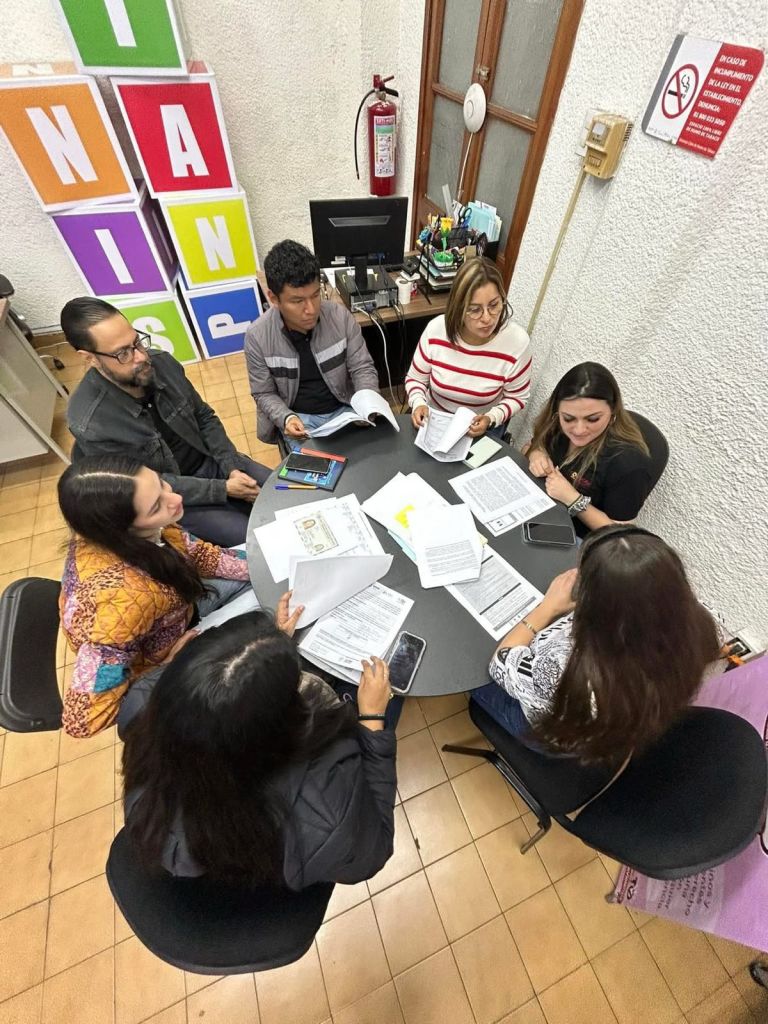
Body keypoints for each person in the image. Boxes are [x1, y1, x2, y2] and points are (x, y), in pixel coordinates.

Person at [120, 600, 397, 891]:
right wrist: (372, 718)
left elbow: (215, 689)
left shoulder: (143, 705)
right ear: (281, 727)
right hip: (274, 863)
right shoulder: (325, 810)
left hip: (206, 854)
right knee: (383, 701)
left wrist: (261, 652)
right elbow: (373, 853)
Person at [472, 525, 721, 763]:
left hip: (555, 730)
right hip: (619, 721)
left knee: (473, 675)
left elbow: (501, 662)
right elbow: (631, 554)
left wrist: (547, 608)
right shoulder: (701, 625)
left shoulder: (566, 667)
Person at [58, 455, 252, 738]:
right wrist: (163, 669)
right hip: (168, 648)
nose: (175, 498)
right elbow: (83, 720)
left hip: (178, 605)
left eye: (161, 484)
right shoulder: (119, 605)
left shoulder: (142, 527)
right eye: (155, 506)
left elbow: (195, 553)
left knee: (261, 580)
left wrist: (260, 564)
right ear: (124, 529)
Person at [62, 297, 269, 548]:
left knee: (293, 493)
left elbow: (204, 416)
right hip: (171, 497)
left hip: (213, 463)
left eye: (137, 342)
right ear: (90, 358)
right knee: (256, 541)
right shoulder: (91, 422)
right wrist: (222, 489)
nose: (141, 356)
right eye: (123, 353)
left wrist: (231, 466)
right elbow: (147, 486)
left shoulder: (162, 363)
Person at [244, 239, 381, 447]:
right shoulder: (257, 336)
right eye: (298, 301)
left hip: (345, 409)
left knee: (372, 460)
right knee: (317, 468)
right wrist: (286, 418)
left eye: (316, 295)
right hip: (299, 418)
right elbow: (263, 392)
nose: (311, 309)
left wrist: (367, 404)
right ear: (274, 298)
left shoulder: (339, 317)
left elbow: (362, 367)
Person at [405, 257, 532, 440]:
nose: (487, 318)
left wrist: (491, 418)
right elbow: (415, 379)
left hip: (482, 428)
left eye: (494, 305)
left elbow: (517, 397)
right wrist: (418, 403)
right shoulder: (436, 330)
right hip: (435, 421)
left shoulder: (517, 342)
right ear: (458, 308)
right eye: (475, 309)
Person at [525, 362, 653, 536]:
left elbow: (620, 534)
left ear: (613, 411)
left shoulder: (629, 462)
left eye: (592, 419)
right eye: (568, 418)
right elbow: (532, 445)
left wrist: (573, 499)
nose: (579, 430)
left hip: (577, 537)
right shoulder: (556, 423)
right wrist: (536, 454)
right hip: (539, 511)